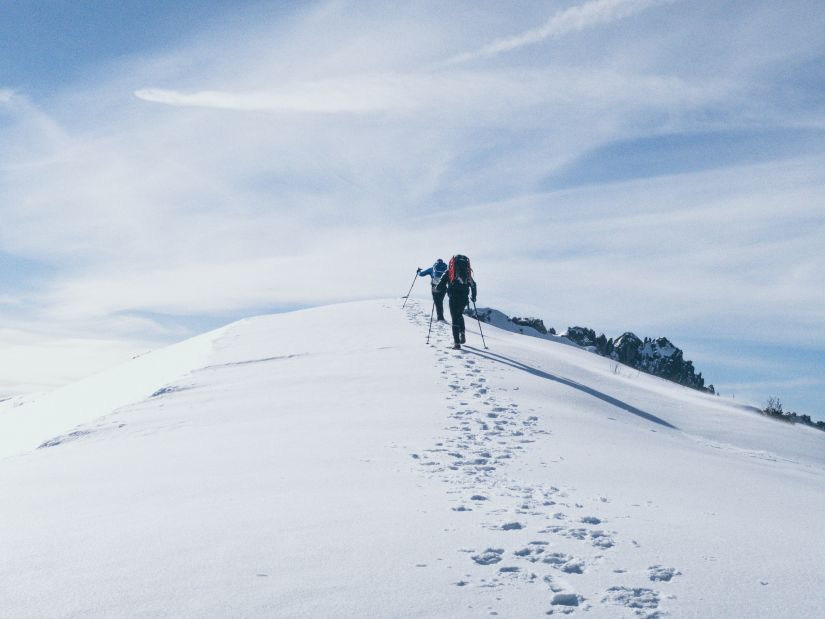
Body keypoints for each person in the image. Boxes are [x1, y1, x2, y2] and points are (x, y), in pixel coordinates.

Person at [435, 255, 477, 349]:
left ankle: (457, 343)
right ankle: (462, 333)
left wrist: (438, 290)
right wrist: (473, 297)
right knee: (459, 315)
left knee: (454, 318)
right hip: (464, 299)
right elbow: (473, 285)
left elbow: (440, 286)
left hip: (453, 298)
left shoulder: (450, 272)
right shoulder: (467, 273)